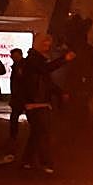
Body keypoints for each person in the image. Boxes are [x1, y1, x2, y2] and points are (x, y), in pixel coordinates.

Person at [21, 33, 75, 174]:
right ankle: (46, 163)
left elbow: (47, 82)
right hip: (35, 102)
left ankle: (27, 160)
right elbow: (45, 71)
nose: (47, 46)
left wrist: (60, 92)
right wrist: (63, 59)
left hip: (38, 102)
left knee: (37, 132)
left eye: (48, 43)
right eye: (45, 43)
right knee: (42, 132)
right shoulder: (34, 60)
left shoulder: (38, 60)